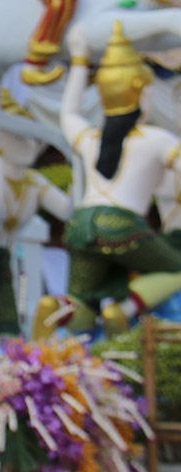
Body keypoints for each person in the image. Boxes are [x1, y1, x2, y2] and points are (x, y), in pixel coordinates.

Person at [34, 20, 181, 337]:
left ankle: (58, 309)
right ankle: (125, 309)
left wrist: (79, 61)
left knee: (83, 298)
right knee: (177, 269)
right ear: (142, 95)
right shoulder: (156, 139)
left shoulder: (92, 140)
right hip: (121, 227)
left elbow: (68, 115)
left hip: (81, 226)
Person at [0, 118, 71, 335]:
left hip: (3, 271)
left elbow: (68, 212)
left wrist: (80, 159)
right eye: (20, 138)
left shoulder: (34, 182)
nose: (29, 145)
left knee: (10, 331)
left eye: (34, 139)